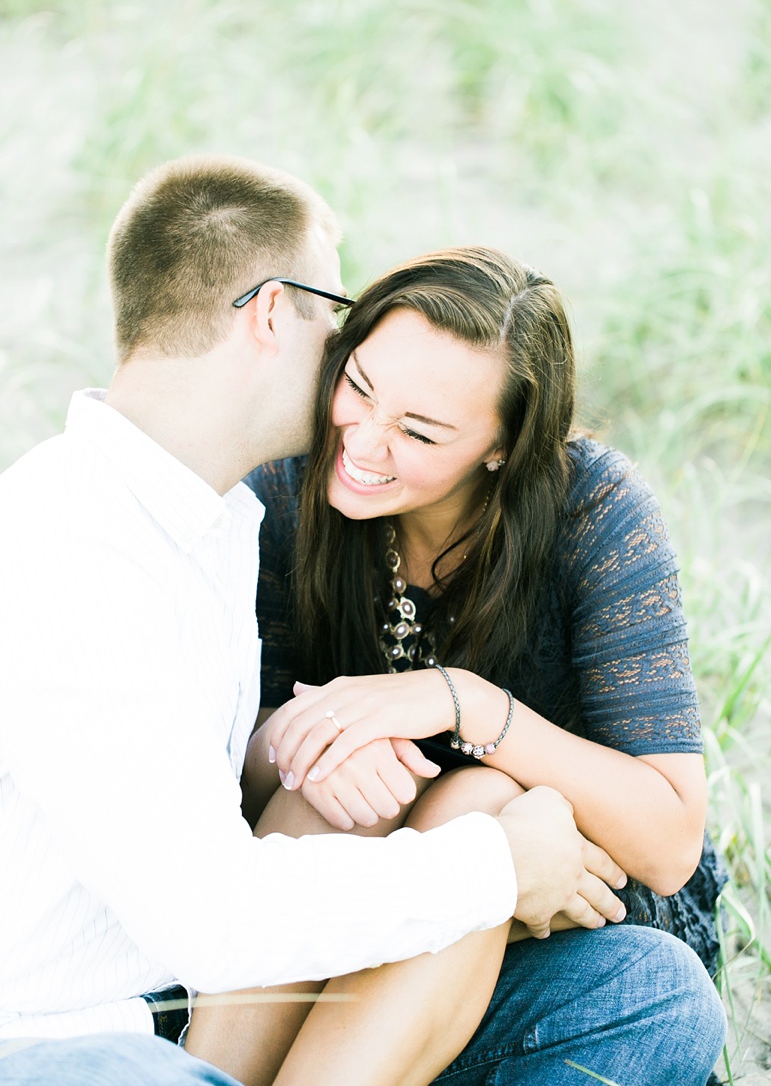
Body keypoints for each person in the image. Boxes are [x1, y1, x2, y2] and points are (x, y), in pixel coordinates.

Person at [0, 159, 634, 1086]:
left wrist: (315, 744)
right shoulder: (70, 545)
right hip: (66, 1047)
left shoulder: (211, 521)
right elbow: (215, 919)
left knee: (642, 990)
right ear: (269, 313)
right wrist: (496, 867)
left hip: (190, 1013)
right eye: (334, 316)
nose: (344, 353)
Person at [189, 247, 728, 1085]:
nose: (362, 440)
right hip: (323, 925)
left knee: (657, 997)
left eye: (419, 430)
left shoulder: (594, 512)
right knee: (345, 771)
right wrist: (318, 742)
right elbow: (216, 782)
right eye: (359, 386)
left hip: (535, 928)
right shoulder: (288, 489)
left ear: (502, 449)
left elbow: (667, 844)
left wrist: (462, 703)